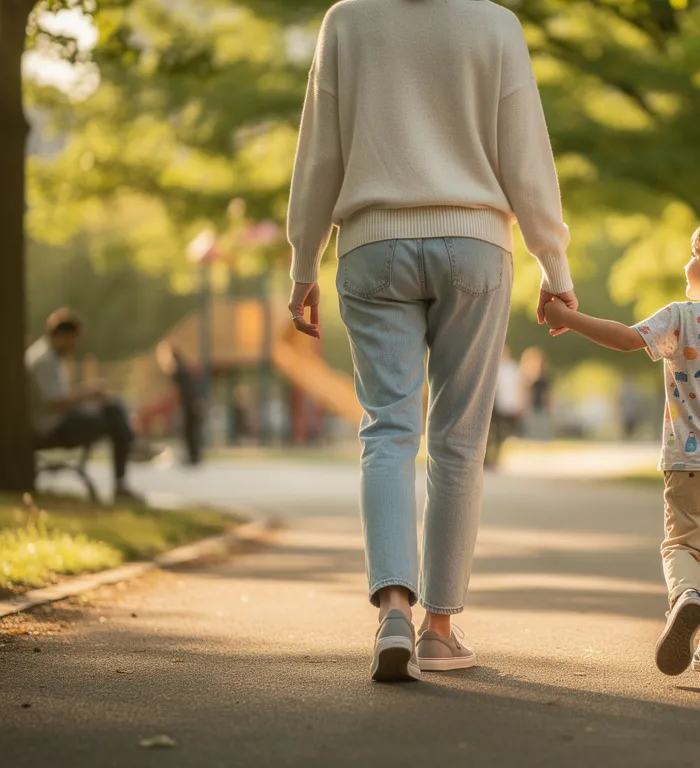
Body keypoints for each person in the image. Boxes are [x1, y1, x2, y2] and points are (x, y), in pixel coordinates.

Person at [284, 0, 576, 682]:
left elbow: (319, 152)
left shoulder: (346, 22)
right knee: (459, 439)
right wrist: (553, 263)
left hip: (370, 244)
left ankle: (392, 606)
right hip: (474, 244)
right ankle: (439, 632)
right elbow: (525, 152)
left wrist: (303, 263)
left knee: (387, 429)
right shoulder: (494, 23)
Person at [544, 218, 700, 677]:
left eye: (694, 255)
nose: (687, 263)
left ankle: (686, 595)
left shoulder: (681, 316)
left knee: (683, 544)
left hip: (691, 462)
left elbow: (623, 338)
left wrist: (567, 319)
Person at [26, 309, 162, 503]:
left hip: (53, 422)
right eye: (73, 339)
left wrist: (88, 395)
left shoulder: (47, 356)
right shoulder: (44, 360)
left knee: (111, 406)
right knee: (112, 414)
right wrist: (86, 393)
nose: (75, 345)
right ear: (62, 335)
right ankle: (129, 457)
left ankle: (131, 446)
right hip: (50, 428)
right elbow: (54, 403)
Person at [156, 342, 204, 466]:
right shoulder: (183, 366)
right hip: (192, 402)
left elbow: (175, 388)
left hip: (190, 402)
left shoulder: (178, 368)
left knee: (190, 430)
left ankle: (194, 456)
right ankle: (194, 456)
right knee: (191, 429)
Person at [485, 347, 527, 470]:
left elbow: (518, 386)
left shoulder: (512, 368)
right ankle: (487, 458)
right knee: (489, 433)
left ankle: (495, 457)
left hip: (504, 405)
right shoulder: (492, 365)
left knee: (500, 433)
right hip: (492, 404)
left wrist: (519, 404)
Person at [520, 346, 553, 440]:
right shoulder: (527, 376)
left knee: (543, 427)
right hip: (532, 406)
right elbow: (525, 391)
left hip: (542, 406)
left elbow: (548, 392)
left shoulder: (545, 376)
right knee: (532, 428)